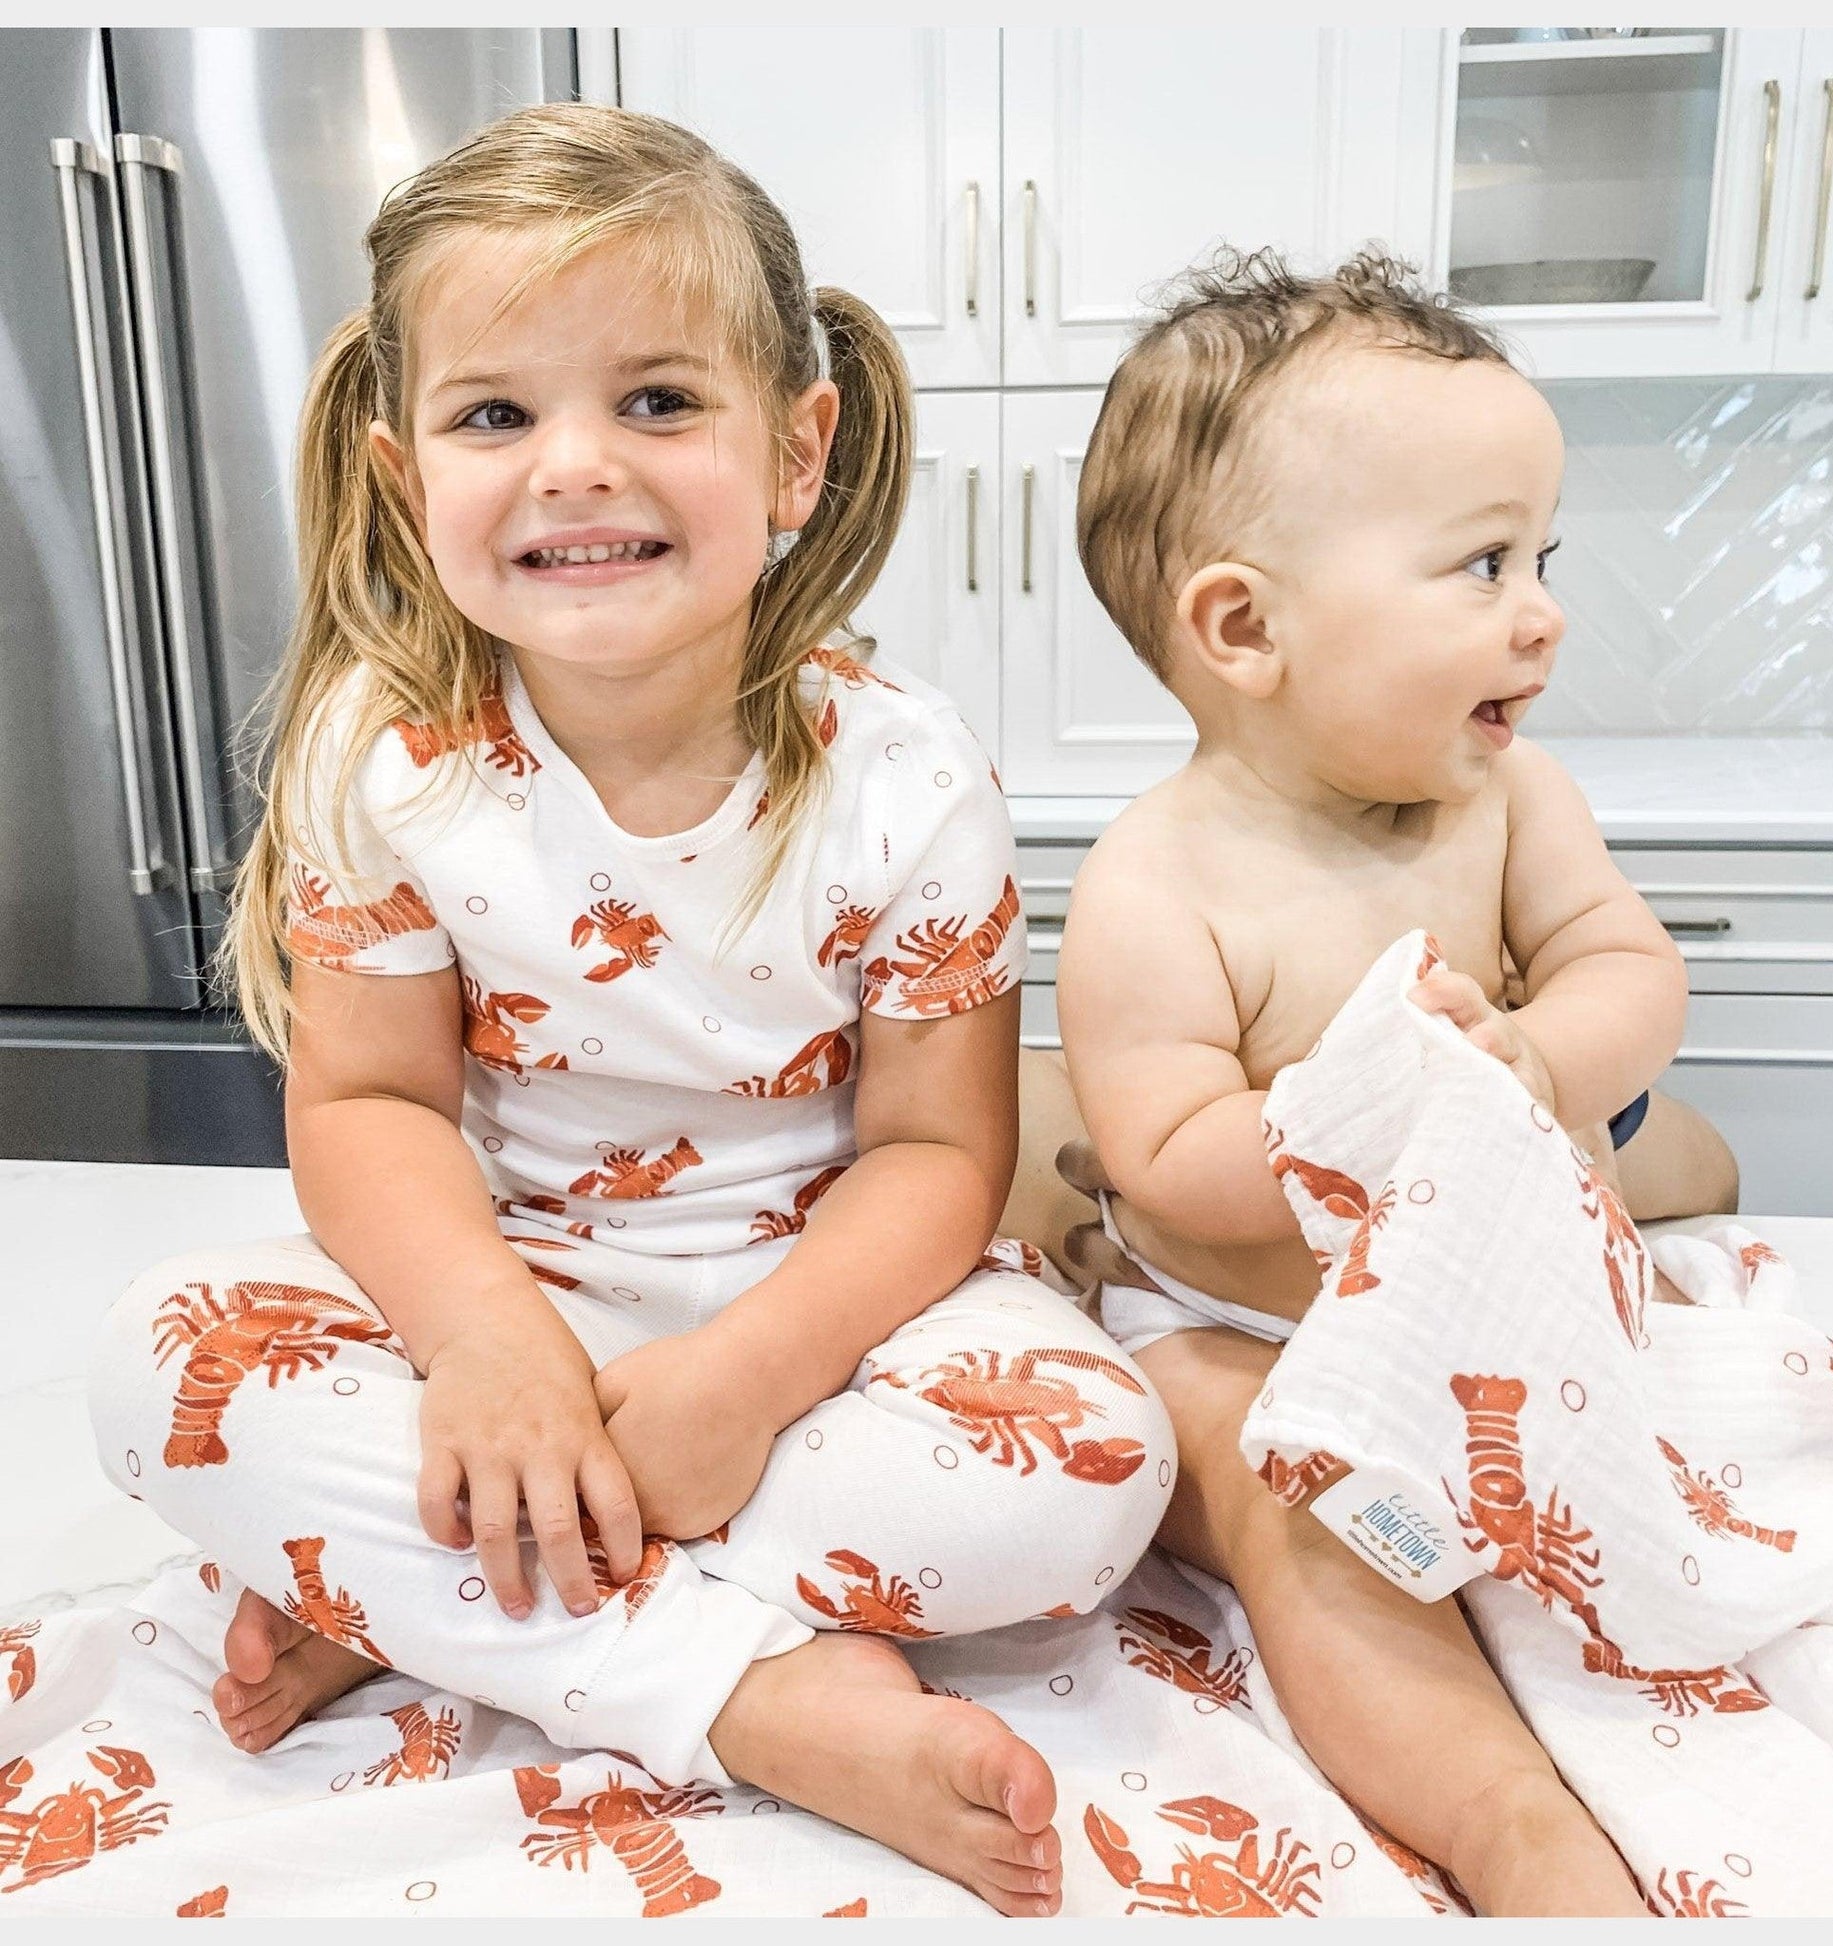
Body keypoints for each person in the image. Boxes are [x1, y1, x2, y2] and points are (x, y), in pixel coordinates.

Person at [86, 104, 1176, 1919]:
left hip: (824, 1309)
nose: (576, 466)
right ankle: (752, 1695)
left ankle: (436, 1594)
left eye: (659, 400)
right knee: (152, 1362)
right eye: (494, 416)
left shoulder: (907, 775)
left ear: (797, 448)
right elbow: (371, 1110)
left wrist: (747, 1381)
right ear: (403, 473)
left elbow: (935, 1151)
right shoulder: (384, 758)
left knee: (1090, 1472)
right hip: (508, 1278)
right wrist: (487, 1349)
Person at [1049, 246, 1739, 1917]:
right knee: (1282, 1493)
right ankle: (1504, 1819)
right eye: (1481, 562)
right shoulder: (1154, 882)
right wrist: (1358, 1114)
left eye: (1540, 556)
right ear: (1244, 626)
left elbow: (1630, 971)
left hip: (1495, 1304)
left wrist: (1534, 1055)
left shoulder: (1511, 802)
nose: (1541, 611)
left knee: (1675, 1419)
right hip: (1247, 1327)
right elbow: (1162, 1155)